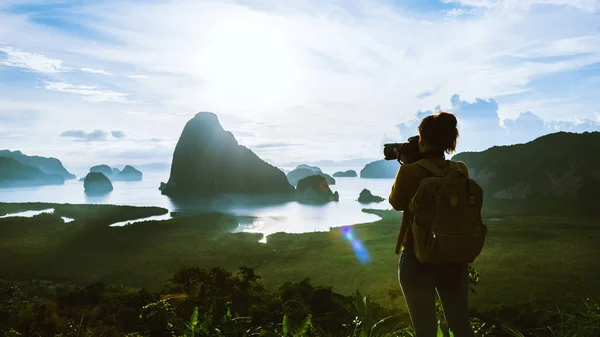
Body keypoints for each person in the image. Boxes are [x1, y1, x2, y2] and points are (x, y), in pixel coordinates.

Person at [388, 111, 476, 337]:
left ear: (422, 141)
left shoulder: (409, 171)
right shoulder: (460, 170)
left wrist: (408, 162)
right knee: (461, 325)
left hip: (417, 257)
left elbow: (396, 203)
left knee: (425, 331)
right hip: (454, 255)